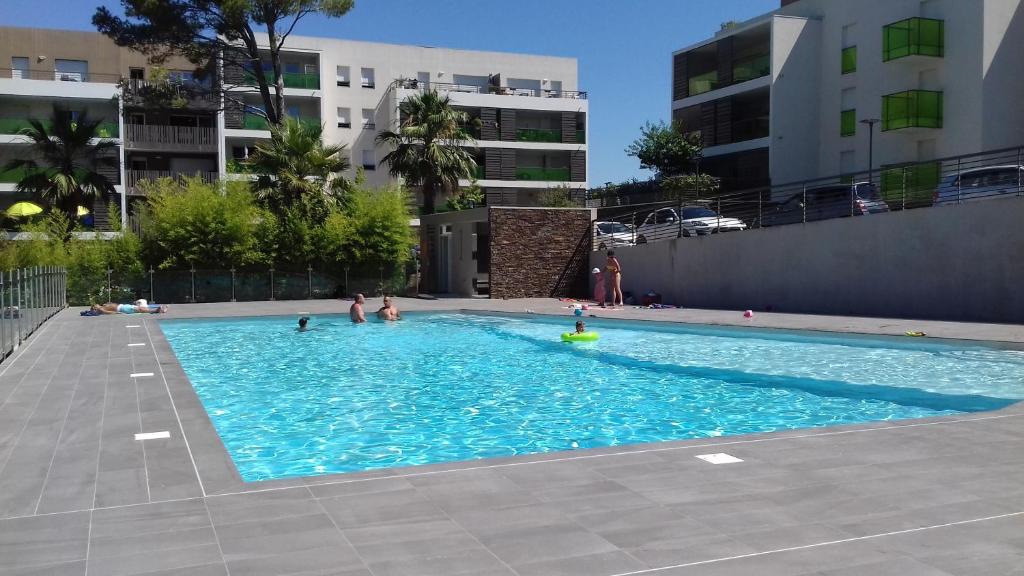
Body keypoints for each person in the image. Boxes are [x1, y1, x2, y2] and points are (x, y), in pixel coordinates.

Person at [91, 302, 167, 314]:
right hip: (122, 309)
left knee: (139, 308)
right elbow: (108, 312)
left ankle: (158, 309)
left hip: (123, 306)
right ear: (95, 308)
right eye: (95, 305)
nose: (97, 304)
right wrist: (117, 313)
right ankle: (156, 310)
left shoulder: (103, 305)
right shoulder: (101, 309)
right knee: (139, 309)